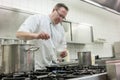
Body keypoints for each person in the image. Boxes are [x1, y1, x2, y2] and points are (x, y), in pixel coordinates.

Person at [16, 3, 69, 70]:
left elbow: (62, 47)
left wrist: (63, 52)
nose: (60, 19)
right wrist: (37, 35)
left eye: (63, 17)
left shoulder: (61, 29)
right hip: (35, 68)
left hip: (52, 68)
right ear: (53, 10)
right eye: (60, 15)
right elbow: (19, 34)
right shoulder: (38, 18)